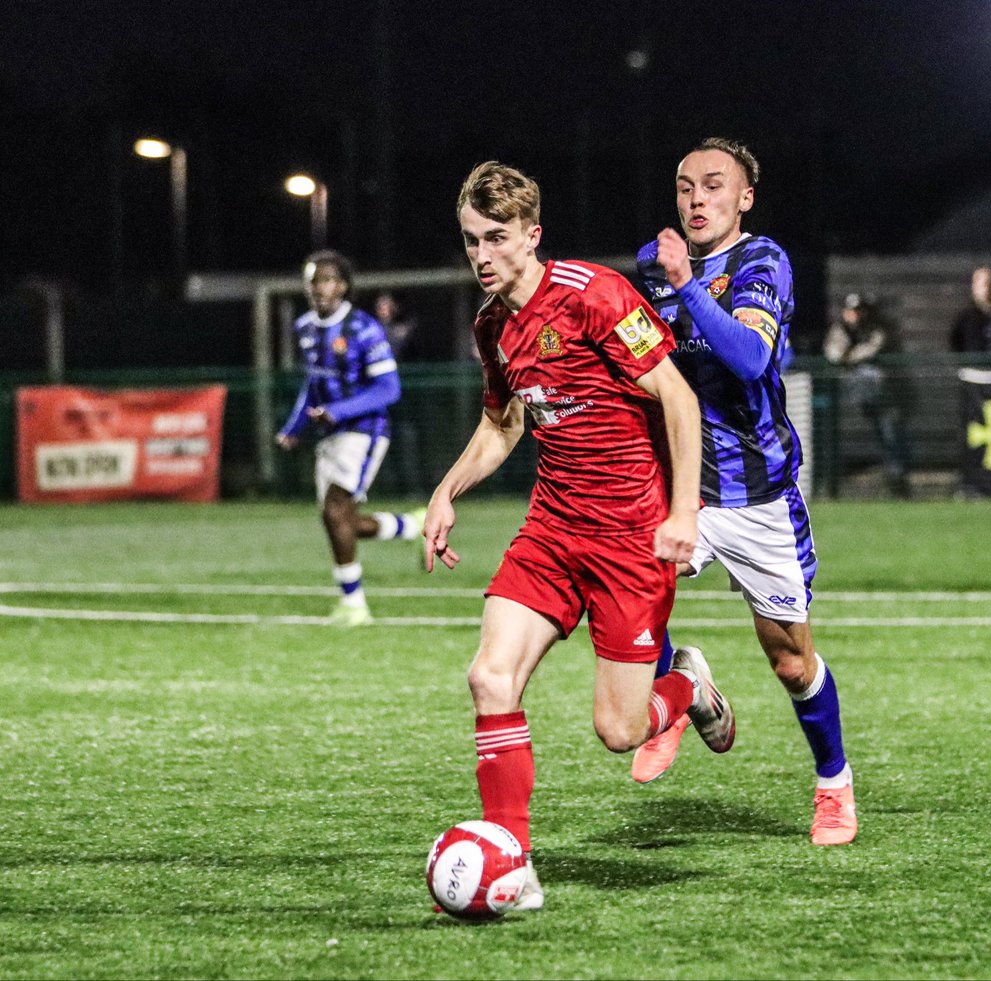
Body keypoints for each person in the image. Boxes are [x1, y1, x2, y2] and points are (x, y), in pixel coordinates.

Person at [423, 161, 730, 911]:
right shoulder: (492, 325)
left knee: (619, 731)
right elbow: (503, 423)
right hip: (553, 528)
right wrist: (447, 488)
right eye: (471, 240)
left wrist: (683, 511)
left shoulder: (596, 295)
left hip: (630, 538)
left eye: (497, 238)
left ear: (532, 234)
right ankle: (512, 863)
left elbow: (678, 397)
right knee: (489, 677)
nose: (483, 255)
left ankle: (685, 681)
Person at [633, 137, 857, 846]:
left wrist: (687, 284)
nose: (697, 199)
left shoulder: (763, 261)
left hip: (758, 492)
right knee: (628, 609)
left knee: (790, 660)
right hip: (682, 491)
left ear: (744, 197)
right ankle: (682, 689)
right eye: (684, 186)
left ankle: (833, 783)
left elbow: (751, 357)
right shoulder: (654, 268)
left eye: (713, 186)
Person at [275, 250, 424, 626]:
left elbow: (389, 389)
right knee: (338, 519)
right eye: (313, 280)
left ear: (342, 286)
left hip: (365, 431)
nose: (319, 288)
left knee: (335, 511)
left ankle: (355, 605)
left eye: (327, 280)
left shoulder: (363, 329)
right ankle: (411, 527)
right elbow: (314, 383)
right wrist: (295, 428)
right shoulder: (306, 328)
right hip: (331, 432)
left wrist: (338, 412)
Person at [824, 291, 912, 497]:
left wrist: (850, 357)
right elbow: (833, 352)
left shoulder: (875, 328)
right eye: (851, 311)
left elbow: (873, 348)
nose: (855, 315)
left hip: (885, 397)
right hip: (853, 395)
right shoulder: (841, 329)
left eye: (858, 311)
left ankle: (897, 482)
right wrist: (850, 357)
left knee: (890, 435)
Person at [950, 266, 991, 354]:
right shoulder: (965, 316)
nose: (987, 289)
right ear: (974, 287)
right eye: (983, 285)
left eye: (990, 284)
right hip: (973, 365)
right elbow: (955, 342)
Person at [374, 291, 420, 361]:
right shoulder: (371, 328)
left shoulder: (401, 330)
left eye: (385, 308)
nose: (382, 311)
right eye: (379, 308)